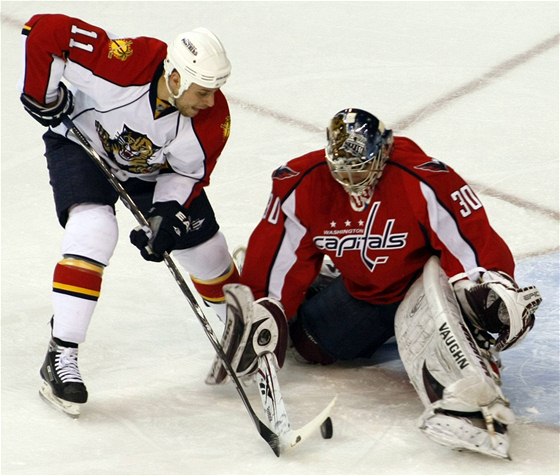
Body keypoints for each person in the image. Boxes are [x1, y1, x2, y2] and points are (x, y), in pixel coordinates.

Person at [207, 108, 542, 459]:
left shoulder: (422, 178)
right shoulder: (304, 185)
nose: (351, 178)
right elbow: (278, 258)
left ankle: (470, 395)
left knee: (460, 318)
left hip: (423, 286)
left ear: (383, 151)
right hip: (367, 292)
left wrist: (488, 291)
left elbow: (470, 241)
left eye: (361, 166)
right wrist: (265, 307)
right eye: (342, 169)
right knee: (310, 345)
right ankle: (324, 287)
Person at [18, 13, 239, 417]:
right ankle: (60, 354)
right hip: (82, 146)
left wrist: (166, 215)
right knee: (94, 229)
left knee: (206, 250)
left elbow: (188, 173)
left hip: (150, 169)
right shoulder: (125, 62)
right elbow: (44, 30)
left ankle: (240, 329)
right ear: (175, 76)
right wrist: (43, 97)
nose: (210, 102)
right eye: (202, 91)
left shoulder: (211, 120)